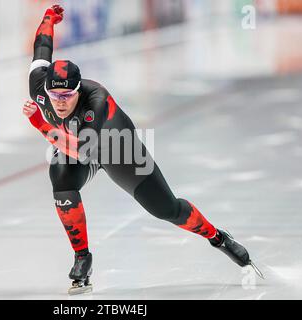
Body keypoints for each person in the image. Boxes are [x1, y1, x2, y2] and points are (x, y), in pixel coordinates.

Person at [23, 4, 263, 295]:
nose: (59, 101)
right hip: (75, 144)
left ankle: (218, 238)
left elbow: (82, 152)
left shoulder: (95, 98)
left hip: (118, 149)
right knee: (60, 176)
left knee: (167, 209)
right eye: (54, 95)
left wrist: (40, 123)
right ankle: (82, 258)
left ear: (78, 90)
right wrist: (48, 19)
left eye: (67, 95)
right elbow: (42, 48)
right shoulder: (39, 87)